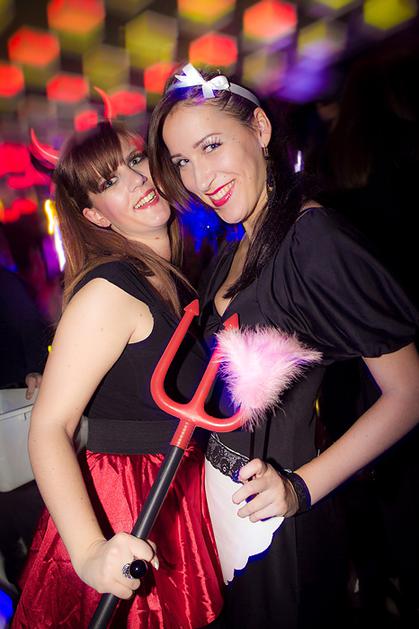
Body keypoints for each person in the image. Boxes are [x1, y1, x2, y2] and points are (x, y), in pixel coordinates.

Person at [147, 64, 419, 628]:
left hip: (282, 522)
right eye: (182, 162)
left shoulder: (312, 237)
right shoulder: (235, 243)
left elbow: (410, 393)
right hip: (230, 509)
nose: (200, 177)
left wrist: (299, 489)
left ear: (260, 129)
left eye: (211, 145)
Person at [12, 121, 223, 628]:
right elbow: (49, 427)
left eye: (135, 160)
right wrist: (89, 552)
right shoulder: (110, 290)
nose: (136, 179)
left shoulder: (173, 279)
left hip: (173, 493)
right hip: (127, 503)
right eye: (109, 182)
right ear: (95, 215)